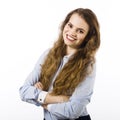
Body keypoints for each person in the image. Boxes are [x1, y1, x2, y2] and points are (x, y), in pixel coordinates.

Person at [19, 8, 100, 120]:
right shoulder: (48, 54)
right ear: (64, 24)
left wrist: (43, 100)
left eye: (80, 31)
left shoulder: (88, 64)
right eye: (70, 25)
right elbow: (24, 92)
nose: (72, 33)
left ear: (88, 38)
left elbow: (74, 110)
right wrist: (60, 99)